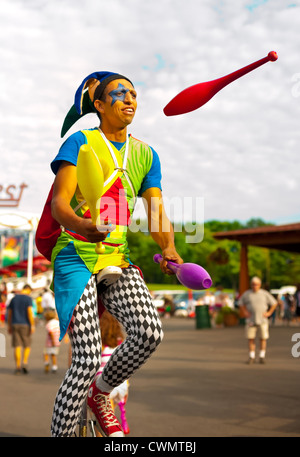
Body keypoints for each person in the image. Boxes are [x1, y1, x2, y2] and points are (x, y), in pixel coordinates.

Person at [35, 71, 182, 437]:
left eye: (133, 93)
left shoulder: (146, 155)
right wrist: (82, 226)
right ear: (99, 105)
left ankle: (100, 395)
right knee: (85, 359)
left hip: (118, 257)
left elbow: (157, 211)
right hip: (76, 255)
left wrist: (169, 248)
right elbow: (59, 205)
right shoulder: (80, 142)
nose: (130, 99)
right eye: (119, 94)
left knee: (150, 333)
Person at [95, 309, 130, 436]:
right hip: (119, 385)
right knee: (110, 415)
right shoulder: (120, 341)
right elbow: (125, 366)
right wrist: (126, 388)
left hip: (102, 385)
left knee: (101, 422)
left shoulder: (97, 342)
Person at [238, 276, 278, 364]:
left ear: (259, 285)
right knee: (250, 338)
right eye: (252, 284)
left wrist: (269, 312)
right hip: (251, 320)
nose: (254, 286)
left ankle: (262, 356)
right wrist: (244, 312)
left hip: (262, 320)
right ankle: (251, 356)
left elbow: (274, 303)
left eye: (256, 284)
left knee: (263, 338)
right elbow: (240, 303)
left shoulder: (264, 293)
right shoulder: (247, 294)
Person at [6, 284, 35, 374]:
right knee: (27, 345)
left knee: (17, 346)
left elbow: (9, 313)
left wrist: (9, 325)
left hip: (14, 323)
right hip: (25, 324)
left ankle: (18, 367)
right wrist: (32, 325)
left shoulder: (14, 299)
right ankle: (24, 362)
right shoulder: (28, 299)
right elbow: (29, 312)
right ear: (28, 290)